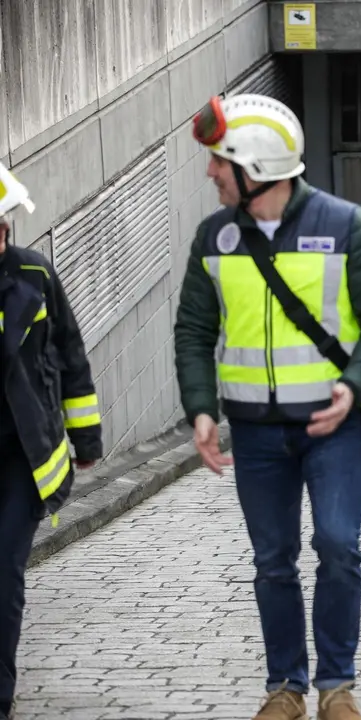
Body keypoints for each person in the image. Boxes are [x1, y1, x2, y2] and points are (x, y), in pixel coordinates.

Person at [174, 93, 361, 720]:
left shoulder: (347, 224)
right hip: (254, 433)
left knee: (338, 544)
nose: (210, 172)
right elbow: (194, 330)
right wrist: (200, 406)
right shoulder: (213, 237)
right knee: (273, 561)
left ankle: (336, 686)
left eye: (220, 162)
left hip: (333, 428)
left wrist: (355, 385)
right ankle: (286, 688)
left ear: (256, 168)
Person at [0, 163, 102, 720]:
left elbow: (70, 355)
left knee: (4, 572)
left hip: (24, 454)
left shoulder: (35, 276)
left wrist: (85, 438)